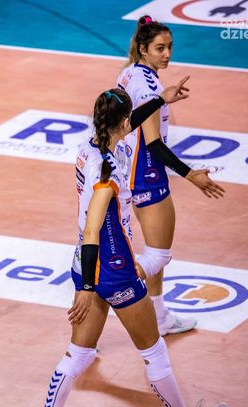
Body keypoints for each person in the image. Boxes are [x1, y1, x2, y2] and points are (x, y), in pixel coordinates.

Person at [44, 85, 191, 407]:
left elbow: (128, 122)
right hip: (113, 267)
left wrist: (160, 100)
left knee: (80, 353)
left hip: (83, 259)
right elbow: (94, 229)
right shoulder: (106, 173)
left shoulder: (89, 146)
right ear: (123, 124)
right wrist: (87, 288)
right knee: (155, 353)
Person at [117, 15, 225, 336]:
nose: (167, 54)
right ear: (143, 49)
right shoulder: (147, 86)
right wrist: (191, 175)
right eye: (160, 48)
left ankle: (159, 316)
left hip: (132, 171)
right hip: (147, 175)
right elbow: (153, 143)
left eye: (169, 47)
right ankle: (107, 286)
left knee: (155, 251)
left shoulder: (130, 72)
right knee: (159, 255)